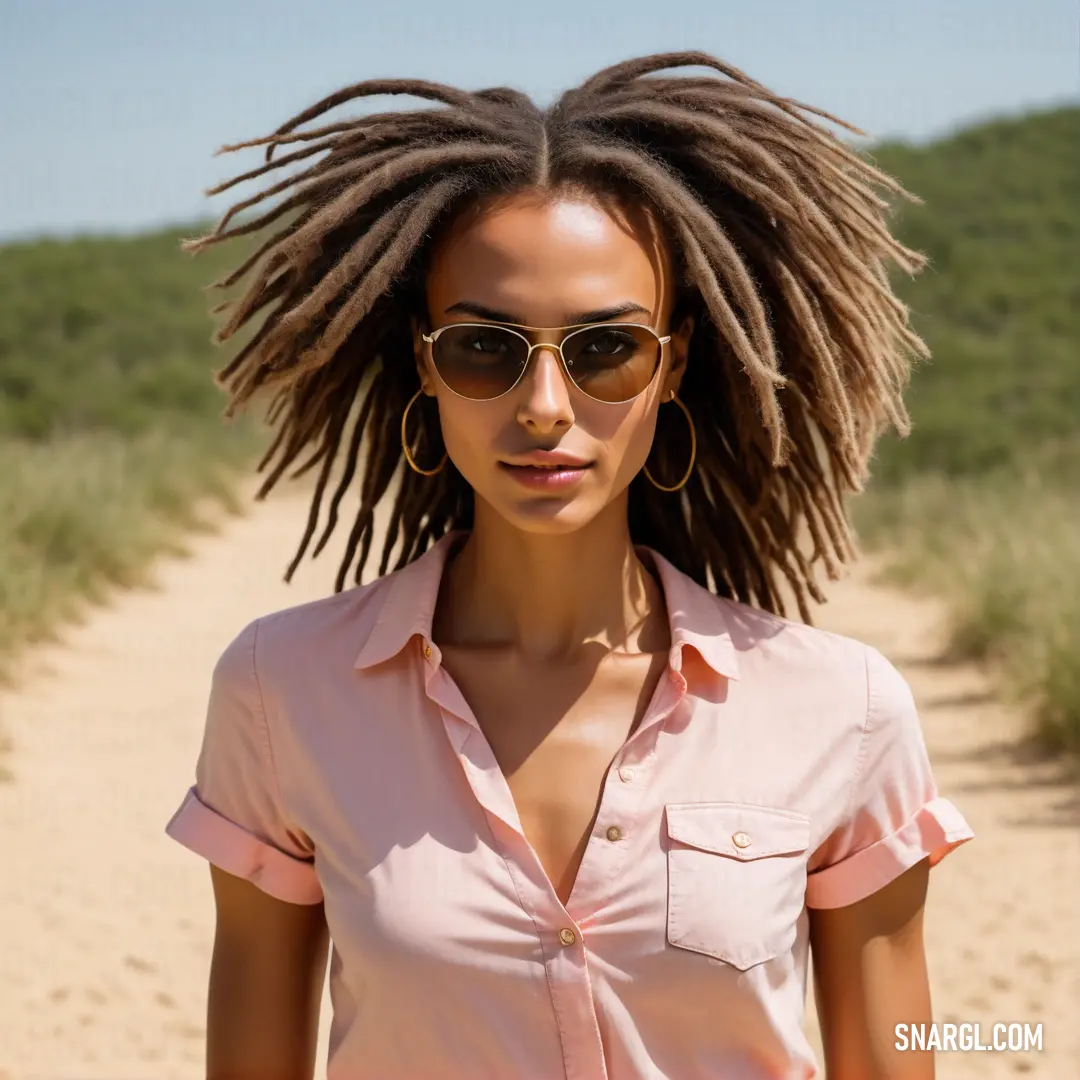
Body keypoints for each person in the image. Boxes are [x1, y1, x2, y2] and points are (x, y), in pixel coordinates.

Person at [165, 51, 974, 1080]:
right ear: (426, 362)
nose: (545, 406)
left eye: (604, 351)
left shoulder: (842, 710)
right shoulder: (283, 696)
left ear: (672, 365)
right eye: (485, 349)